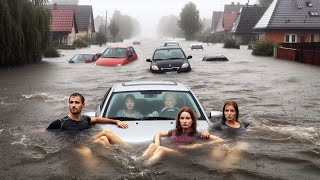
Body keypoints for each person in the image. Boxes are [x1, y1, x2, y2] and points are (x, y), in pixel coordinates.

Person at [141, 107, 223, 166]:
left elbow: (220, 140)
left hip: (183, 155)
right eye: (182, 118)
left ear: (192, 121)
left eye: (187, 118)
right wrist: (157, 143)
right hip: (171, 151)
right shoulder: (174, 132)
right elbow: (158, 133)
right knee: (152, 145)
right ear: (179, 120)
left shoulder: (197, 134)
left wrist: (199, 145)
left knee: (161, 149)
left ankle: (144, 167)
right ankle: (139, 162)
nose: (184, 121)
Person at [47, 92, 128, 131]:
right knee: (87, 151)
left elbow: (97, 119)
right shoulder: (60, 123)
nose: (73, 105)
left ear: (83, 105)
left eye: (77, 102)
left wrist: (116, 121)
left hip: (84, 141)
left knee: (105, 136)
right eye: (71, 102)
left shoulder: (85, 119)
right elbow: (46, 131)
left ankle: (132, 154)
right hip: (73, 147)